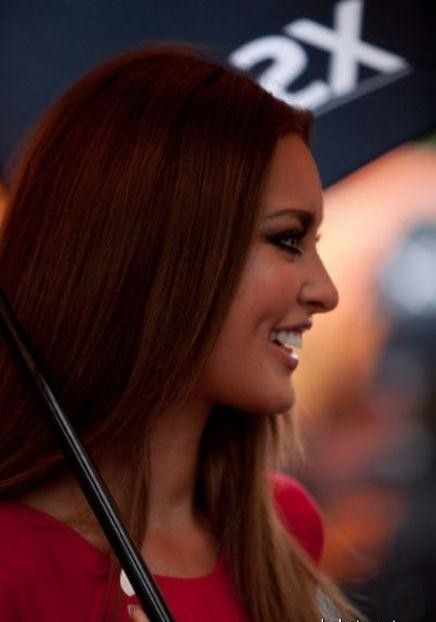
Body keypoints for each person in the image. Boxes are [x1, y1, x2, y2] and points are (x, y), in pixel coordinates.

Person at [0, 45, 356, 622]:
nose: (327, 291)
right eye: (288, 239)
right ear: (156, 253)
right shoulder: (13, 568)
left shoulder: (286, 526)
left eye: (314, 243)